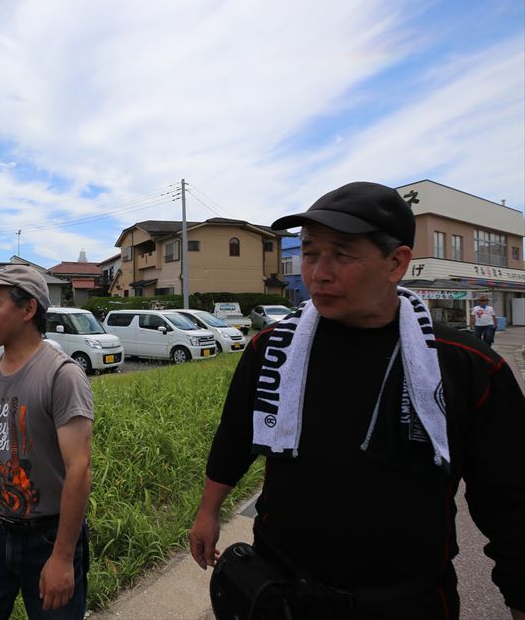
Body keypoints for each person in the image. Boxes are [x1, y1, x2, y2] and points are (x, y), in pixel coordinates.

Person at [187, 182, 525, 619]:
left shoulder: (466, 364)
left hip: (405, 600)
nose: (318, 273)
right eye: (310, 253)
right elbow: (236, 434)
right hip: (281, 590)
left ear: (396, 262)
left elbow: (509, 498)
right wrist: (208, 512)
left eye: (342, 254)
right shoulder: (273, 348)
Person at [0, 265, 94, 620]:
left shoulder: (62, 375)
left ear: (28, 309)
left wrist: (63, 556)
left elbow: (79, 467)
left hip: (48, 536)